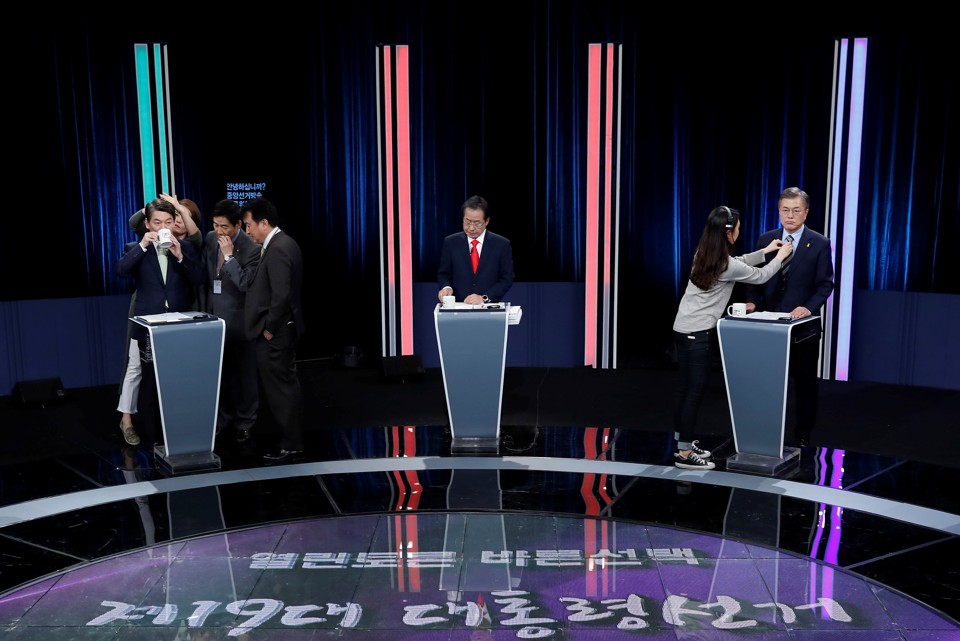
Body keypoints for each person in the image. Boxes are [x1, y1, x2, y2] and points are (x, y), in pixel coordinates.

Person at [672, 205, 794, 469]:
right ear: (728, 233)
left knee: (686, 389)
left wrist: (765, 251)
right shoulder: (724, 263)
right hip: (697, 332)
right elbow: (760, 276)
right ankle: (683, 454)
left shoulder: (705, 252)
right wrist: (781, 255)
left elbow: (738, 263)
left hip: (684, 328)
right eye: (738, 228)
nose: (740, 232)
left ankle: (684, 440)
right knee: (694, 391)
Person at [746, 187, 835, 447]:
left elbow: (825, 284)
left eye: (796, 210)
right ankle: (765, 431)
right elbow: (754, 276)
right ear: (778, 211)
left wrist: (808, 308)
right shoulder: (767, 239)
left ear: (806, 213)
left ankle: (803, 435)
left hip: (802, 328)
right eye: (785, 210)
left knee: (805, 383)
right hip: (768, 326)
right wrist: (751, 301)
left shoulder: (820, 242)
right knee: (767, 383)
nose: (790, 216)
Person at [116, 198, 204, 446]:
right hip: (147, 324)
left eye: (168, 221)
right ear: (148, 224)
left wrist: (179, 257)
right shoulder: (136, 246)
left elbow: (198, 278)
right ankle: (150, 434)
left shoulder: (184, 246)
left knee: (176, 377)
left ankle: (175, 430)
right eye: (157, 222)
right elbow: (121, 270)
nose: (163, 226)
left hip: (177, 324)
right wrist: (143, 246)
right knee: (146, 377)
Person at [241, 197, 306, 463]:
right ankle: (291, 440)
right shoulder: (281, 243)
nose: (247, 231)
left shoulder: (278, 248)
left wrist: (268, 329)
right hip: (280, 330)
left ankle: (291, 444)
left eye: (248, 225)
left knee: (281, 388)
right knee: (283, 386)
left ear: (264, 223)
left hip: (276, 333)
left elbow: (281, 295)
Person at [200, 199, 261, 443]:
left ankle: (245, 423)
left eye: (224, 227)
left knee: (245, 378)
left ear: (237, 225)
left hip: (240, 323)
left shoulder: (252, 249)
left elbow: (246, 284)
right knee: (220, 377)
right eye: (216, 225)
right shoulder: (210, 238)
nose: (219, 231)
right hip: (214, 320)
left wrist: (229, 257)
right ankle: (222, 420)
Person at [437, 195, 515, 304]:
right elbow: (444, 274)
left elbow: (506, 279)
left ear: (487, 221)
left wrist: (484, 298)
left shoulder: (501, 244)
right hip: (458, 307)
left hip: (489, 309)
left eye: (477, 223)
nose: (471, 228)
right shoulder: (451, 242)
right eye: (467, 222)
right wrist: (446, 287)